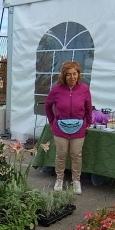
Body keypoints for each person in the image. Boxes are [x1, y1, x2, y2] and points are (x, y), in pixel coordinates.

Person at [44, 60, 93, 194]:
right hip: (60, 127)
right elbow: (48, 105)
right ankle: (59, 179)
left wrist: (88, 121)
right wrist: (52, 120)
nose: (72, 77)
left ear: (78, 74)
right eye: (69, 74)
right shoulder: (56, 89)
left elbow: (89, 107)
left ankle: (76, 181)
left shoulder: (84, 89)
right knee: (61, 155)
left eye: (75, 74)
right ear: (64, 76)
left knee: (76, 155)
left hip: (79, 127)